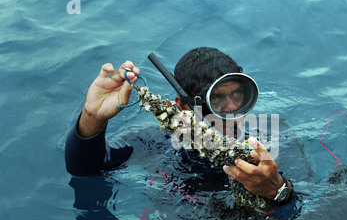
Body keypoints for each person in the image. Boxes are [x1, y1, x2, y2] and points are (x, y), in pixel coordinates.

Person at [65, 47, 294, 207]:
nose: (231, 108)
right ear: (182, 105)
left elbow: (315, 207)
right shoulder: (155, 144)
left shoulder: (273, 135)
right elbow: (85, 169)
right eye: (216, 99)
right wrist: (92, 117)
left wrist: (277, 190)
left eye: (237, 94)